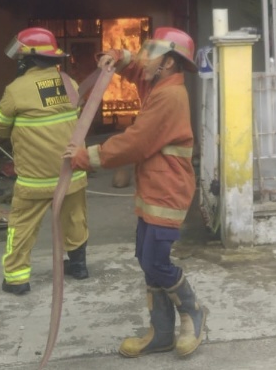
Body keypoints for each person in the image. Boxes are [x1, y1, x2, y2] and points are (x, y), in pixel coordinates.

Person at [64, 26, 208, 359]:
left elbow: (135, 143)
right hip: (153, 190)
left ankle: (194, 310)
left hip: (166, 192)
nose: (143, 58)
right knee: (146, 259)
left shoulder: (170, 97)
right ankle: (160, 334)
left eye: (150, 53)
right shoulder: (160, 84)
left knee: (156, 262)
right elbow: (137, 73)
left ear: (168, 63)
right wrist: (118, 57)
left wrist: (86, 156)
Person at [0, 26, 90, 295]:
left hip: (34, 181)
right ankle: (79, 266)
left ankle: (17, 280)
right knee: (75, 220)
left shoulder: (16, 89)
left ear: (26, 59)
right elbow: (76, 120)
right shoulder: (70, 84)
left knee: (21, 227)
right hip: (72, 174)